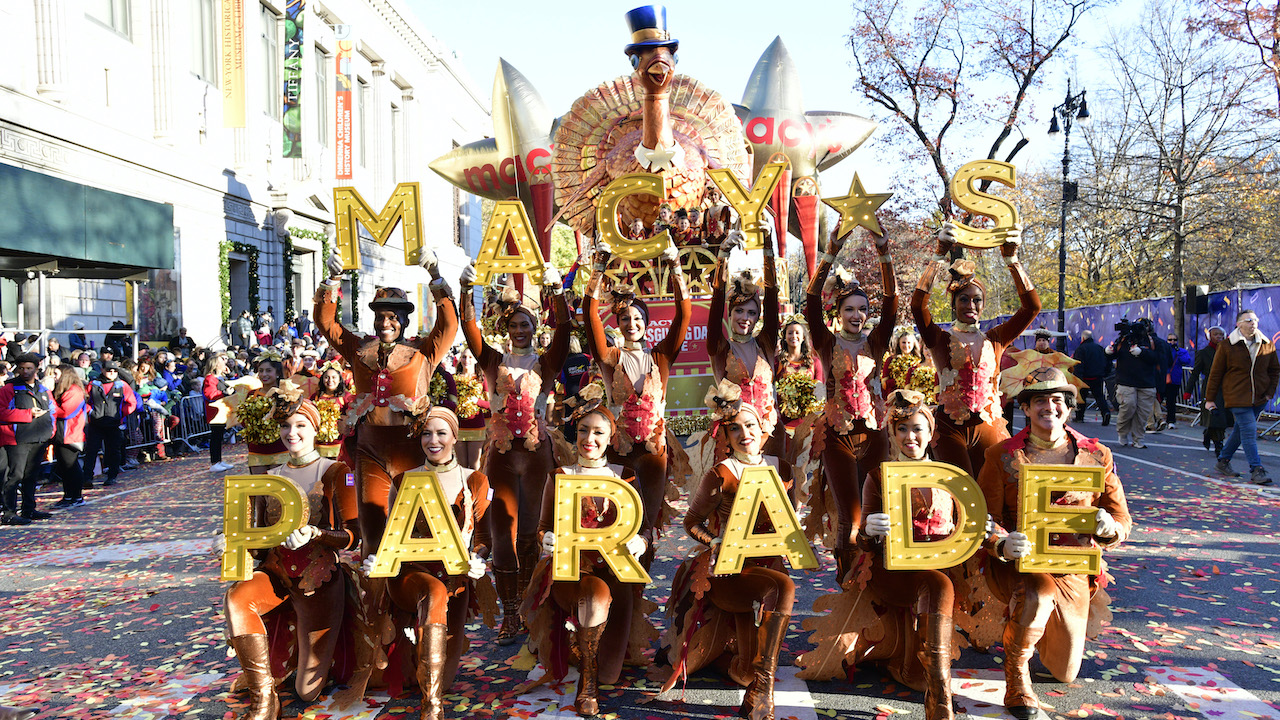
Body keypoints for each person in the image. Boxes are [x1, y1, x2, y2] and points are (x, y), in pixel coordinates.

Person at [799, 389, 967, 719]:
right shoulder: (879, 476)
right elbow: (862, 540)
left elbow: (973, 525)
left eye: (918, 428)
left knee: (914, 672)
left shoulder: (951, 478)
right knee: (938, 586)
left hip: (938, 566)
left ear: (930, 434)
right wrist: (869, 532)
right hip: (893, 574)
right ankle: (941, 695)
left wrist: (999, 540)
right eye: (901, 429)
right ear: (891, 434)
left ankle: (904, 661)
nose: (910, 437)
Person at [978, 367, 1132, 720]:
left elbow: (1122, 518)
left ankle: (1032, 628)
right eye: (1040, 400)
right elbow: (983, 518)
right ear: (1027, 408)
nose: (1050, 406)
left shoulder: (1098, 455)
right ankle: (1016, 678)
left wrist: (1109, 528)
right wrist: (1001, 542)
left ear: (1069, 407)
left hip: (1073, 567)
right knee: (1037, 594)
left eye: (1058, 400)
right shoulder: (1001, 456)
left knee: (1065, 671)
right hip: (1023, 565)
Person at [213, 390, 359, 719]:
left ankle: (328, 650)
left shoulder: (338, 472)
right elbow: (260, 545)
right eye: (286, 426)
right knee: (237, 598)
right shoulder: (269, 478)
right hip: (277, 574)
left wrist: (318, 533)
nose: (292, 433)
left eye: (301, 425)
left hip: (318, 580)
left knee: (307, 690)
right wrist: (231, 542)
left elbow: (353, 537)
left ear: (316, 428)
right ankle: (264, 699)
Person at [662, 380, 800, 720]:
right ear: (724, 435)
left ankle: (749, 677)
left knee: (746, 668)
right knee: (780, 589)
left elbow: (790, 518)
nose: (744, 433)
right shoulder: (720, 472)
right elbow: (691, 521)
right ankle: (758, 690)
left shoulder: (781, 467)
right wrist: (715, 541)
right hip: (730, 571)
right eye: (734, 428)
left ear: (762, 427)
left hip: (769, 564)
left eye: (750, 425)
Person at [459, 261, 569, 645]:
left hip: (538, 456)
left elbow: (567, 331)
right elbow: (470, 332)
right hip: (502, 458)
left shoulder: (546, 362)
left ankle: (529, 606)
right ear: (506, 329)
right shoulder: (492, 362)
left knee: (530, 534)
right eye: (514, 325)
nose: (520, 331)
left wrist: (555, 291)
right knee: (502, 535)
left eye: (526, 325)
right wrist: (464, 288)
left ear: (534, 328)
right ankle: (509, 614)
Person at [358, 405, 492, 720]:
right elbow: (392, 533)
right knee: (431, 593)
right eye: (427, 433)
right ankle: (432, 708)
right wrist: (379, 559)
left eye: (441, 433)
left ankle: (430, 681)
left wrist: (479, 558)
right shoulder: (404, 479)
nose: (433, 440)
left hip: (454, 581)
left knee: (440, 680)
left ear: (455, 437)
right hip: (411, 576)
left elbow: (485, 537)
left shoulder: (475, 480)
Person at [523, 391, 650, 718]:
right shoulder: (559, 476)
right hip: (572, 574)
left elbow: (647, 529)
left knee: (614, 673)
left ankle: (588, 649)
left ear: (611, 438)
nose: (589, 438)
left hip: (615, 577)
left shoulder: (626, 476)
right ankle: (587, 682)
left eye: (598, 432)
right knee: (592, 599)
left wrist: (642, 543)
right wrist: (546, 539)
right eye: (583, 430)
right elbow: (541, 526)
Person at [582, 240, 689, 569]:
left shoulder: (661, 356)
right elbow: (588, 315)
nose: (632, 324)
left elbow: (684, 315)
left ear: (646, 323)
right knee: (616, 522)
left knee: (645, 530)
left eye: (638, 319)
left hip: (655, 454)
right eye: (626, 318)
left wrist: (675, 266)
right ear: (618, 322)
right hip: (618, 452)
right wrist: (599, 265)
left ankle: (638, 593)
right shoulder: (610, 357)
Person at [802, 225, 896, 579]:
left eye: (862, 309)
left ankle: (877, 576)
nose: (857, 315)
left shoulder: (877, 342)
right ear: (837, 313)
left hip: (875, 435)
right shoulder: (826, 343)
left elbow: (892, 304)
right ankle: (846, 580)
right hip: (836, 438)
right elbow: (811, 301)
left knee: (879, 510)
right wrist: (832, 249)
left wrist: (884, 251)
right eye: (849, 309)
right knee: (851, 517)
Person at [911, 223, 1038, 478]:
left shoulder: (997, 338)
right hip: (949, 429)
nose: (971, 304)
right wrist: (938, 256)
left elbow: (1032, 308)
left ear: (983, 304)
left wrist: (1012, 259)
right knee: (962, 494)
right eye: (964, 299)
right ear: (954, 304)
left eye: (977, 299)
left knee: (990, 496)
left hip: (989, 426)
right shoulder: (939, 339)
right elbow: (917, 307)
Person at [707, 229, 781, 457]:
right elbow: (716, 304)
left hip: (770, 436)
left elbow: (772, 296)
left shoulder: (765, 344)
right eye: (739, 311)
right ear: (730, 314)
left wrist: (768, 245)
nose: (745, 318)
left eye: (751, 312)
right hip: (735, 439)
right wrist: (722, 257)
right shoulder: (720, 347)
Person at [1205, 309, 1280, 484]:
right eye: (1248, 320)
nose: (1252, 323)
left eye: (1255, 320)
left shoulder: (1267, 344)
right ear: (1239, 324)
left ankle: (1223, 461)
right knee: (1249, 430)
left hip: (1259, 398)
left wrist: (1270, 392)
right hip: (1236, 396)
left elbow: (1275, 370)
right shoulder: (1227, 345)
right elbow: (1215, 374)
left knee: (1241, 431)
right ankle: (1256, 469)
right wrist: (1210, 399)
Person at [0, 353, 54, 524]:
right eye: (22, 368)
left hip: (39, 437)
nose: (25, 372)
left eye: (29, 368)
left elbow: (53, 409)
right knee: (15, 476)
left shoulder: (43, 389)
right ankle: (9, 513)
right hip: (18, 439)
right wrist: (27, 414)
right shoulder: (9, 389)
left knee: (31, 476)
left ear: (36, 368)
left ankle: (28, 509)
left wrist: (49, 431)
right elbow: (1, 411)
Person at [1106, 318, 1160, 449]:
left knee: (1142, 413)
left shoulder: (1154, 341)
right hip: (1126, 381)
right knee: (1128, 406)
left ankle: (1138, 438)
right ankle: (1122, 432)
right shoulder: (1124, 340)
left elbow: (1160, 358)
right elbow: (1115, 354)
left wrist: (1143, 353)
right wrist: (1108, 352)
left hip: (1146, 383)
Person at [82, 362, 137, 487]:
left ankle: (112, 476)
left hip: (114, 424)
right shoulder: (93, 384)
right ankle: (87, 478)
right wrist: (91, 412)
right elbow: (84, 400)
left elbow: (131, 403)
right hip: (96, 423)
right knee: (91, 451)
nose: (112, 373)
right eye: (109, 370)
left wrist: (121, 414)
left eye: (115, 371)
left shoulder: (122, 385)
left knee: (113, 451)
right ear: (102, 370)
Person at [50, 366, 88, 508]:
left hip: (70, 433)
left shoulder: (74, 391)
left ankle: (77, 496)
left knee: (71, 465)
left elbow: (65, 412)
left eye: (56, 373)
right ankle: (68, 495)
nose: (54, 377)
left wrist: (49, 401)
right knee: (64, 467)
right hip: (61, 433)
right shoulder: (64, 391)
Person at [1189, 326, 1230, 455]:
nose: (1219, 337)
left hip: (1226, 388)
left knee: (1223, 418)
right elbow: (1195, 373)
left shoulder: (1228, 351)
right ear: (1210, 336)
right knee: (1215, 417)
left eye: (1221, 334)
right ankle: (1219, 446)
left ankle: (1209, 433)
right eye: (1216, 334)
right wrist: (1188, 390)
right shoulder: (1203, 353)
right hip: (1211, 388)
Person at [310, 360, 354, 460]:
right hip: (318, 445)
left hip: (339, 444)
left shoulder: (346, 397)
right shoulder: (316, 396)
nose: (330, 381)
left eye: (334, 377)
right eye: (326, 377)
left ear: (339, 379)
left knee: (340, 472)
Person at [453, 349, 489, 471]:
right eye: (464, 357)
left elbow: (491, 404)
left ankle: (476, 489)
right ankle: (463, 489)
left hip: (476, 427)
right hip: (459, 426)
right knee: (461, 465)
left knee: (475, 465)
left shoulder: (482, 379)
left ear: (475, 360)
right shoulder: (454, 379)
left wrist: (477, 401)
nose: (466, 360)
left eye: (470, 357)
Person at [882, 326, 936, 402]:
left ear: (914, 343)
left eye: (909, 343)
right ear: (899, 343)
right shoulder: (891, 360)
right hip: (895, 398)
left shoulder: (919, 360)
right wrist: (899, 380)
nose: (906, 346)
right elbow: (884, 384)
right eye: (903, 342)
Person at [1071, 330, 1111, 425]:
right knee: (1099, 397)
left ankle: (1079, 416)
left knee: (1081, 398)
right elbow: (1107, 362)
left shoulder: (1081, 349)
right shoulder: (1099, 348)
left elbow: (1079, 365)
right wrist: (1104, 373)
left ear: (1083, 338)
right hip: (1097, 377)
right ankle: (1105, 412)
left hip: (1085, 378)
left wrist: (1078, 378)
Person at [203, 355, 234, 472]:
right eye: (222, 361)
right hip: (215, 412)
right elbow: (210, 394)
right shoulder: (210, 378)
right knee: (215, 437)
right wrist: (224, 392)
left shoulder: (219, 377)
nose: (225, 362)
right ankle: (214, 461)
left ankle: (219, 460)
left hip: (222, 411)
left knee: (219, 436)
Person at [1164, 334, 1193, 429]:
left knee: (1171, 401)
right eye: (1170, 339)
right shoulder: (1164, 350)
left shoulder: (1181, 351)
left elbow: (1186, 360)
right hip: (1162, 378)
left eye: (1174, 339)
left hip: (1174, 380)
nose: (1172, 341)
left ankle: (1171, 420)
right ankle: (1157, 419)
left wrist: (1178, 353)